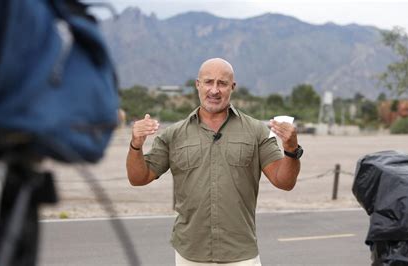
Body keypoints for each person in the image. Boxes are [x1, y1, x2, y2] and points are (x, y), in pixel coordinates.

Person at [126, 58, 302, 265]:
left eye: (222, 83)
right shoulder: (173, 135)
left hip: (240, 255)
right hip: (190, 253)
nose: (215, 90)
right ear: (197, 85)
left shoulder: (257, 131)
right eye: (209, 82)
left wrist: (291, 149)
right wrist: (136, 145)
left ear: (232, 87)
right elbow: (139, 178)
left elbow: (284, 182)